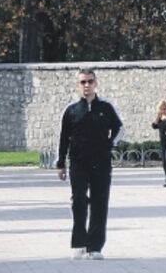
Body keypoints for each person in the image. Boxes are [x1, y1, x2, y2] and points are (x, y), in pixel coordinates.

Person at [56, 69, 124, 261]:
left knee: (99, 203)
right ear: (78, 85)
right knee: (78, 201)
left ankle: (95, 247)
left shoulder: (106, 108)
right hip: (78, 163)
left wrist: (109, 144)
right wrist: (60, 163)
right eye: (83, 82)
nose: (87, 85)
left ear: (96, 83)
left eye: (90, 81)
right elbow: (63, 138)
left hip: (101, 163)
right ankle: (79, 243)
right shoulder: (71, 110)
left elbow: (119, 129)